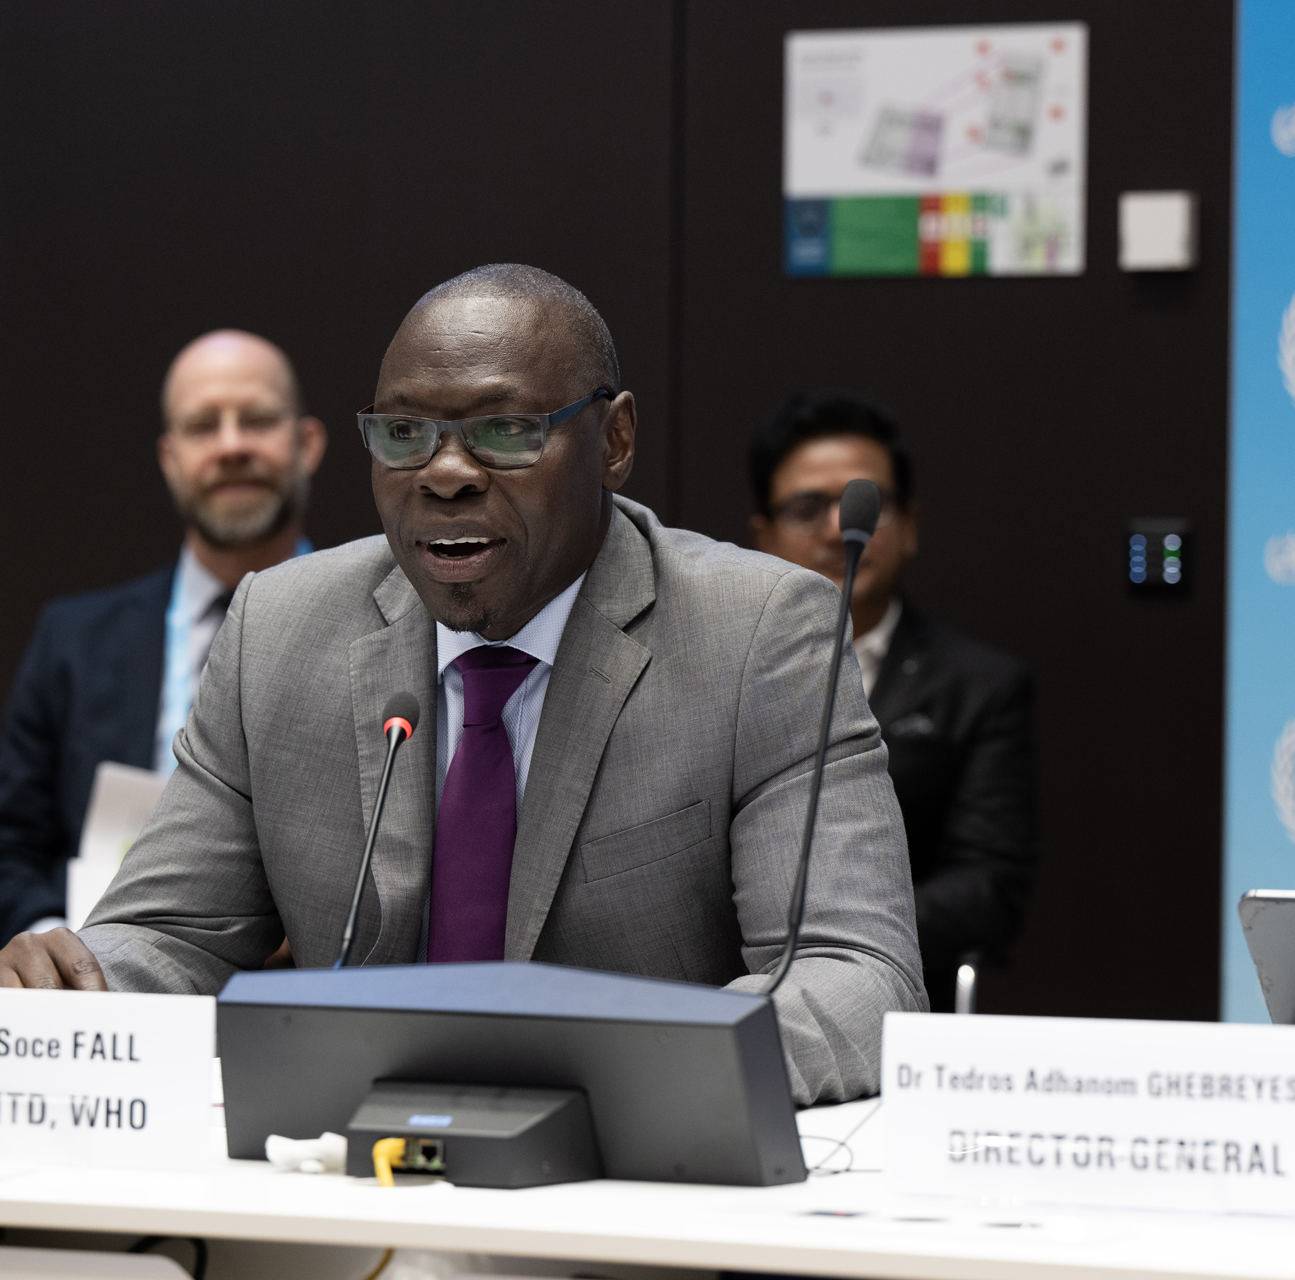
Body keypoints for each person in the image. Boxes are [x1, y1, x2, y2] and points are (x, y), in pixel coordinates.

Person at [0, 266, 926, 1104]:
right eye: (405, 434)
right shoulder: (280, 630)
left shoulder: (759, 634)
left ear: (614, 441)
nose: (444, 475)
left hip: (626, 1192)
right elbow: (170, 933)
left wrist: (609, 1076)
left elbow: (855, 979)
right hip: (340, 1184)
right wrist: (75, 984)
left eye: (504, 432)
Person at [0, 330, 326, 941]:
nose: (231, 446)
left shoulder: (392, 629)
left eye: (255, 419)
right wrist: (51, 947)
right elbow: (11, 843)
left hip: (305, 997)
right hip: (102, 990)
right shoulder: (71, 642)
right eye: (203, 426)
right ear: (169, 457)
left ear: (306, 444)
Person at [749, 391, 1038, 1012]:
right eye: (805, 508)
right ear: (762, 536)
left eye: (862, 506)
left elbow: (988, 888)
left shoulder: (979, 686)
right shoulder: (710, 668)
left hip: (897, 1000)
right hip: (727, 985)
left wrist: (847, 939)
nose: (835, 529)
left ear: (909, 526)